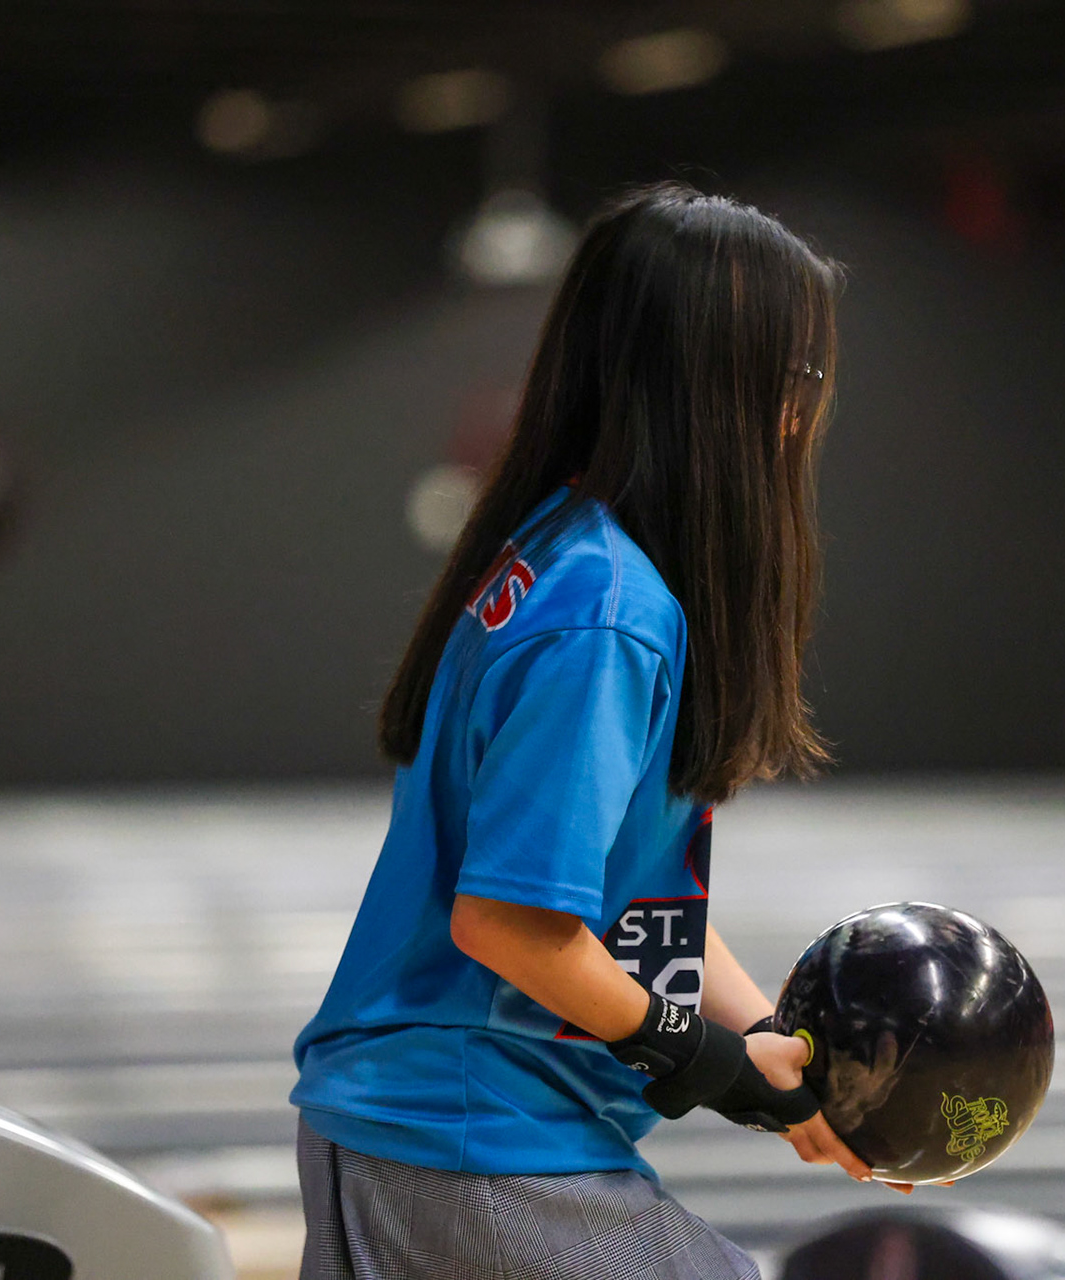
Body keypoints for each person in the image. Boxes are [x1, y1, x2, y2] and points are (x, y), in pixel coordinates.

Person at [291, 182, 881, 1280]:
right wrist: (696, 1055)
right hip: (462, 1136)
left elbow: (626, 896)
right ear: (727, 391)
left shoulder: (579, 558)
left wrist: (772, 1058)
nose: (804, 414)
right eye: (797, 379)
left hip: (456, 1132)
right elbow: (511, 926)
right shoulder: (608, 613)